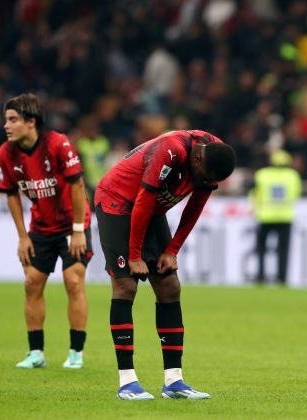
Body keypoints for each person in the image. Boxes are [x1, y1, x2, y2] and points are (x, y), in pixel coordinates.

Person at [94, 129, 235, 400]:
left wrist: (172, 250)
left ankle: (174, 381)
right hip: (118, 201)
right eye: (203, 178)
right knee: (125, 285)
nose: (204, 183)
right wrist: (134, 256)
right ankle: (127, 382)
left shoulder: (214, 155)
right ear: (196, 161)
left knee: (169, 286)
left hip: (151, 208)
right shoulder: (169, 151)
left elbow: (196, 204)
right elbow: (143, 200)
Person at [0, 93, 92, 369]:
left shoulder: (58, 144)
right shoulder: (6, 153)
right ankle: (36, 353)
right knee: (31, 284)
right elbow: (11, 194)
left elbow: (77, 186)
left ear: (31, 122)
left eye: (13, 120)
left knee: (73, 282)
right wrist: (22, 236)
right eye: (6, 120)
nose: (7, 125)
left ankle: (76, 353)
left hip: (73, 223)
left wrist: (77, 230)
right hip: (41, 226)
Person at [249, 149, 302, 285]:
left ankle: (260, 276)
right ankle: (282, 278)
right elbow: (296, 194)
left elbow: (254, 192)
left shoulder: (262, 174)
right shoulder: (293, 175)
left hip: (265, 216)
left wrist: (254, 207)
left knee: (261, 249)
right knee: (283, 250)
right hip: (285, 217)